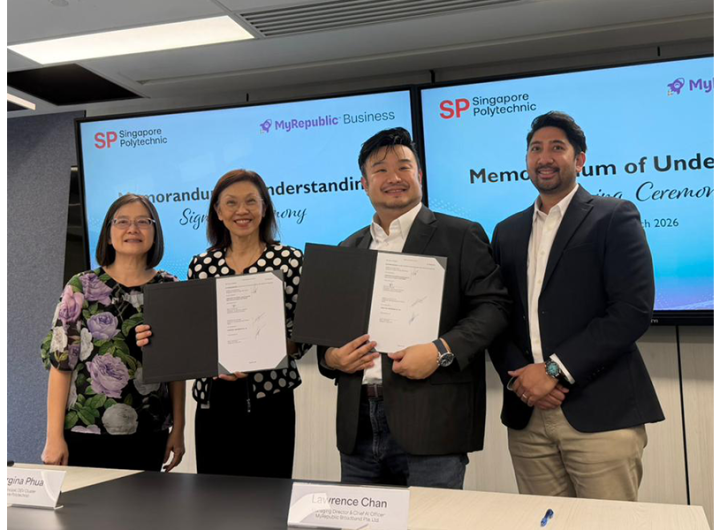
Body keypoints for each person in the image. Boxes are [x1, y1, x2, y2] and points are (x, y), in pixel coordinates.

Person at [317, 127, 511, 489]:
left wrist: (440, 350)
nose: (394, 178)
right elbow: (329, 340)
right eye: (380, 170)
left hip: (432, 421)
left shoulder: (460, 234)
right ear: (364, 184)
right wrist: (332, 358)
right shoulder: (348, 248)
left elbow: (494, 308)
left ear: (419, 175)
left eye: (403, 167)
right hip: (358, 425)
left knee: (432, 518)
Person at [489, 111, 664, 501]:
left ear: (580, 159)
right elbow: (495, 315)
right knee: (543, 524)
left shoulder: (613, 217)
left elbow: (632, 311)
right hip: (528, 414)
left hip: (600, 411)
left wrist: (554, 371)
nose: (544, 157)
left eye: (557, 148)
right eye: (536, 149)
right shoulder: (506, 231)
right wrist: (522, 381)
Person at [137, 169, 306, 478]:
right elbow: (194, 335)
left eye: (251, 201)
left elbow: (302, 337)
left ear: (264, 207)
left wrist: (262, 350)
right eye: (231, 202)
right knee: (214, 496)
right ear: (217, 211)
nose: (242, 210)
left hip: (272, 399)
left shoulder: (291, 261)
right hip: (214, 401)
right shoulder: (202, 265)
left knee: (270, 495)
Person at [40, 194, 186, 472]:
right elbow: (61, 365)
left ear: (155, 233)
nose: (133, 229)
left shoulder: (169, 287)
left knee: (144, 502)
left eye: (143, 222)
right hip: (84, 432)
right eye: (122, 222)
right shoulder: (81, 287)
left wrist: (179, 428)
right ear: (108, 234)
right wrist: (53, 437)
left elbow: (176, 370)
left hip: (149, 433)